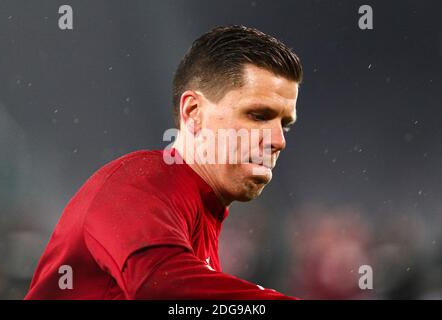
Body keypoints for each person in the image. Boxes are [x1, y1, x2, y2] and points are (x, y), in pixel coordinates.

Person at [25, 25, 303, 299]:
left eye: (285, 124)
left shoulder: (200, 216)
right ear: (193, 112)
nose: (278, 140)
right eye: (258, 115)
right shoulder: (135, 181)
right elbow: (160, 285)